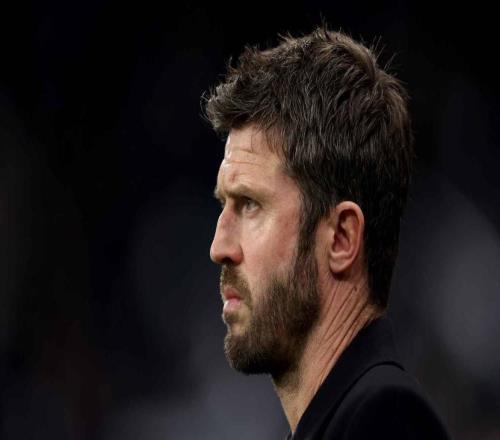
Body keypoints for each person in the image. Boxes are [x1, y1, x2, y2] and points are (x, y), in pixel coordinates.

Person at [203, 25, 451, 439]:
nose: (219, 247)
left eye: (250, 204)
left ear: (341, 238)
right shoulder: (342, 420)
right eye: (223, 204)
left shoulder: (385, 419)